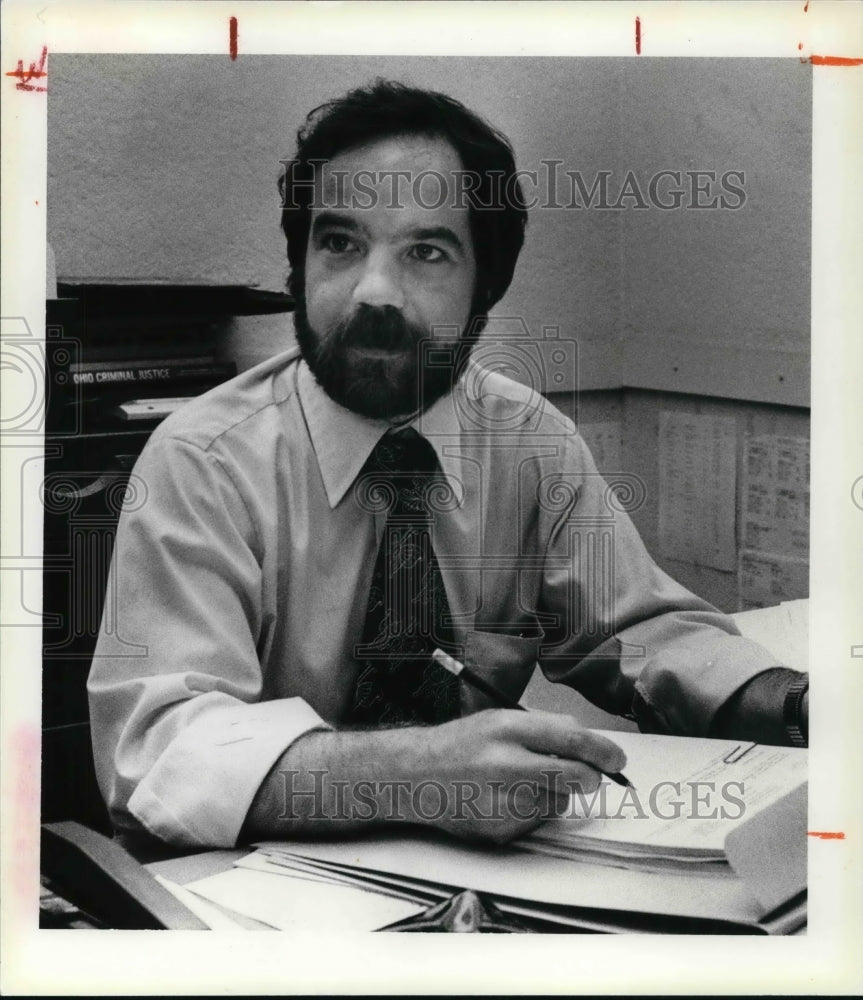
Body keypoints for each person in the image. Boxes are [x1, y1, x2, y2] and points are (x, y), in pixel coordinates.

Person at [88, 80, 809, 850]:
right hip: (263, 897)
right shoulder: (203, 460)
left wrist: (784, 702)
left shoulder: (530, 442)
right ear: (298, 265)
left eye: (426, 252)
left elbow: (637, 632)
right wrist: (413, 772)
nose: (372, 292)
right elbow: (158, 750)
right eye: (339, 243)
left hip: (490, 880)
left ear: (484, 289)